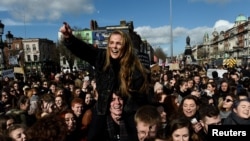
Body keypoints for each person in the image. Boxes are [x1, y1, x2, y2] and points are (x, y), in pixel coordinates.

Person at [60, 22, 150, 140]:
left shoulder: (135, 68)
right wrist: (69, 38)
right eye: (111, 43)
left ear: (125, 46)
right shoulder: (102, 58)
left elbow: (141, 98)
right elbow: (85, 50)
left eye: (118, 43)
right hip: (102, 110)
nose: (114, 46)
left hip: (127, 113)